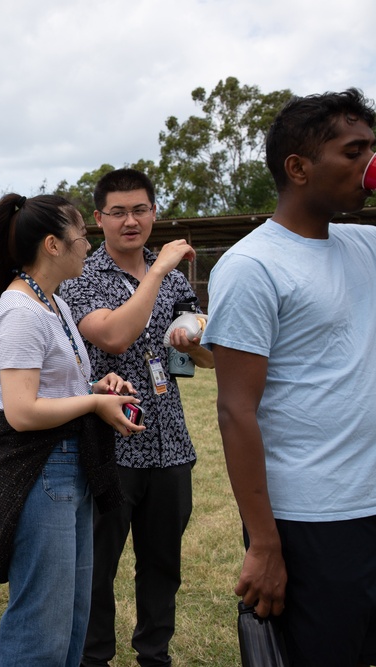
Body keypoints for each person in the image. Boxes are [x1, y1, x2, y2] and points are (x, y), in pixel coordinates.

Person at [202, 88, 376, 665]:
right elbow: (235, 411)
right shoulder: (253, 266)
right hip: (310, 519)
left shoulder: (363, 245)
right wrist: (265, 542)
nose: (368, 165)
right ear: (298, 168)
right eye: (355, 153)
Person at [0, 193, 139, 665]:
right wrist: (94, 402)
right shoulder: (21, 310)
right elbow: (22, 412)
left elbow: (55, 385)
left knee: (70, 616)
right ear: (52, 244)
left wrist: (97, 386)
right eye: (81, 236)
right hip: (45, 468)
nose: (88, 245)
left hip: (71, 466)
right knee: (41, 622)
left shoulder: (54, 304)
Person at [60, 168, 214, 667]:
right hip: (111, 444)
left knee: (163, 565)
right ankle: (94, 657)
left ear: (154, 211)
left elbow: (205, 352)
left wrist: (195, 334)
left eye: (141, 209)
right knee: (97, 566)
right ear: (99, 218)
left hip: (170, 443)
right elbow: (112, 336)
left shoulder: (169, 275)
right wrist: (159, 271)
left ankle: (155, 654)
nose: (132, 221)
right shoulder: (81, 274)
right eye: (119, 212)